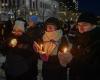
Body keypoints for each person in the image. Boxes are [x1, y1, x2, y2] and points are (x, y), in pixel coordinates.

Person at [69, 12, 100, 80]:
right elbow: (73, 54)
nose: (81, 28)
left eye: (85, 25)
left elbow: (95, 69)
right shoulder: (78, 38)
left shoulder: (97, 41)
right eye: (79, 25)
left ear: (93, 26)